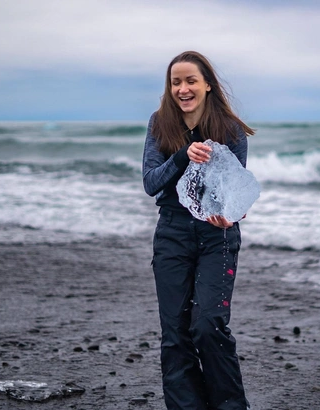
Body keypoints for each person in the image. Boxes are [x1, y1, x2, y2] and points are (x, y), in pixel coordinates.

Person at [142, 51, 255, 410]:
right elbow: (150, 183)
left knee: (208, 326)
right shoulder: (160, 124)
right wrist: (181, 156)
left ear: (207, 85)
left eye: (191, 80)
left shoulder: (230, 130)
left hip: (216, 238)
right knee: (175, 334)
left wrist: (231, 214)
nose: (183, 88)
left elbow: (233, 190)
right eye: (176, 81)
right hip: (172, 233)